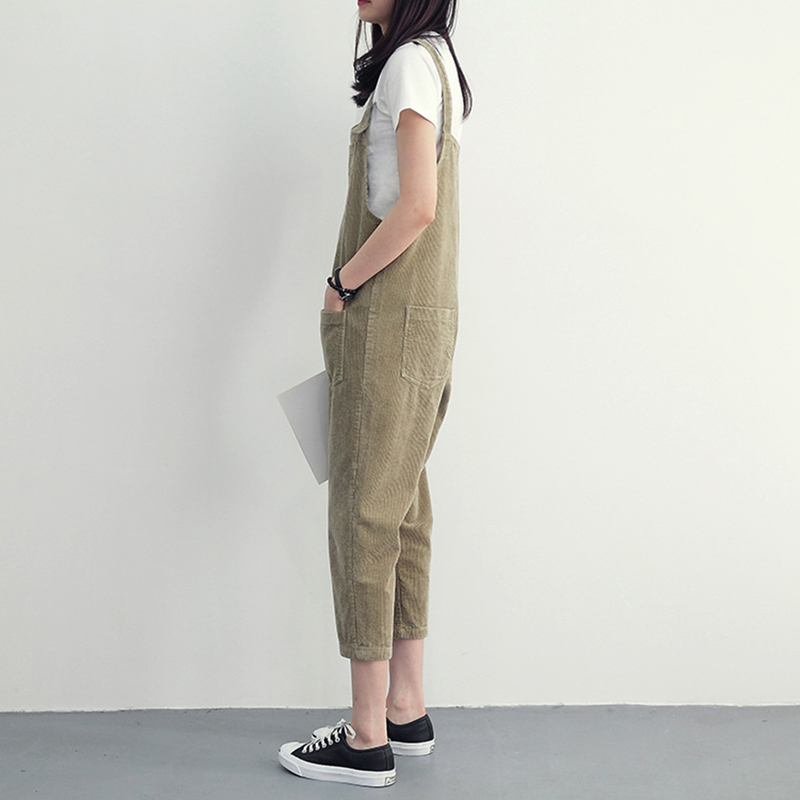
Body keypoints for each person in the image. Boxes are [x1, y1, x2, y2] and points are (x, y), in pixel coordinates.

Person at [279, 0, 472, 787]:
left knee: (362, 511)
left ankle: (365, 737)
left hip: (386, 318)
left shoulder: (407, 66)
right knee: (404, 509)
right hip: (428, 318)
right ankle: (404, 706)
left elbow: (417, 206)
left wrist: (342, 282)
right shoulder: (437, 62)